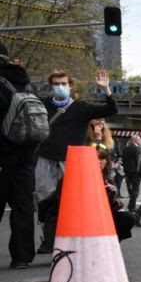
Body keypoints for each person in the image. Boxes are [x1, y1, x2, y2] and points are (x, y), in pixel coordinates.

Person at [35, 68, 118, 253]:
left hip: (71, 161)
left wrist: (106, 89)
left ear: (70, 86)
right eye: (56, 84)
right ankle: (49, 239)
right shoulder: (42, 104)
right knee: (44, 202)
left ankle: (71, 241)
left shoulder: (81, 107)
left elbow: (112, 109)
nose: (60, 87)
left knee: (71, 203)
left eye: (64, 84)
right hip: (46, 159)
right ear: (51, 86)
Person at [0, 42, 38, 268]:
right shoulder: (24, 82)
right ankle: (22, 257)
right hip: (26, 156)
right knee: (23, 207)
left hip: (3, 156)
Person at [121, 133, 141, 212]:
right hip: (136, 172)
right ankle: (132, 206)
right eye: (140, 139)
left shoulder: (126, 148)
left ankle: (131, 204)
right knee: (135, 189)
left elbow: (123, 160)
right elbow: (138, 161)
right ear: (136, 140)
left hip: (127, 171)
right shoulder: (137, 149)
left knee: (130, 188)